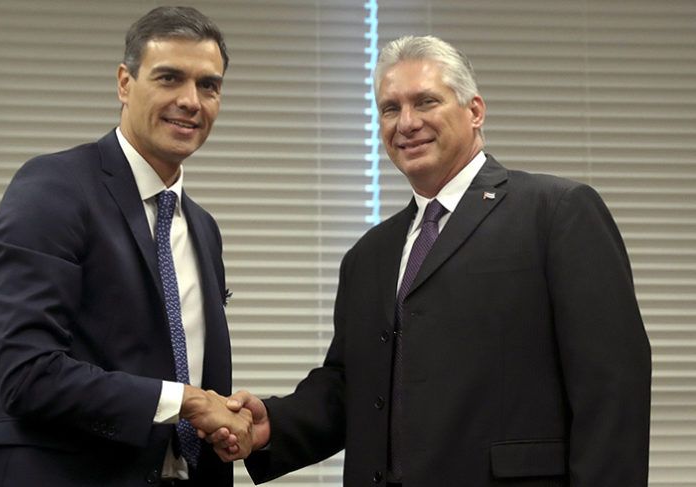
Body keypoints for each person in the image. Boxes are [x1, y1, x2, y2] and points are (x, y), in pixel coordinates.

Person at [212, 35, 652, 486]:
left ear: (475, 111)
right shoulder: (368, 255)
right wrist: (274, 425)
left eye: (426, 102)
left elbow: (612, 388)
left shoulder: (557, 212)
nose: (407, 123)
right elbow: (354, 388)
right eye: (390, 108)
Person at [0, 6, 252, 487]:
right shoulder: (54, 187)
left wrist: (217, 425)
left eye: (208, 85)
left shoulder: (203, 227)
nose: (191, 101)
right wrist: (188, 400)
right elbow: (26, 374)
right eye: (169, 78)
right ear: (124, 83)